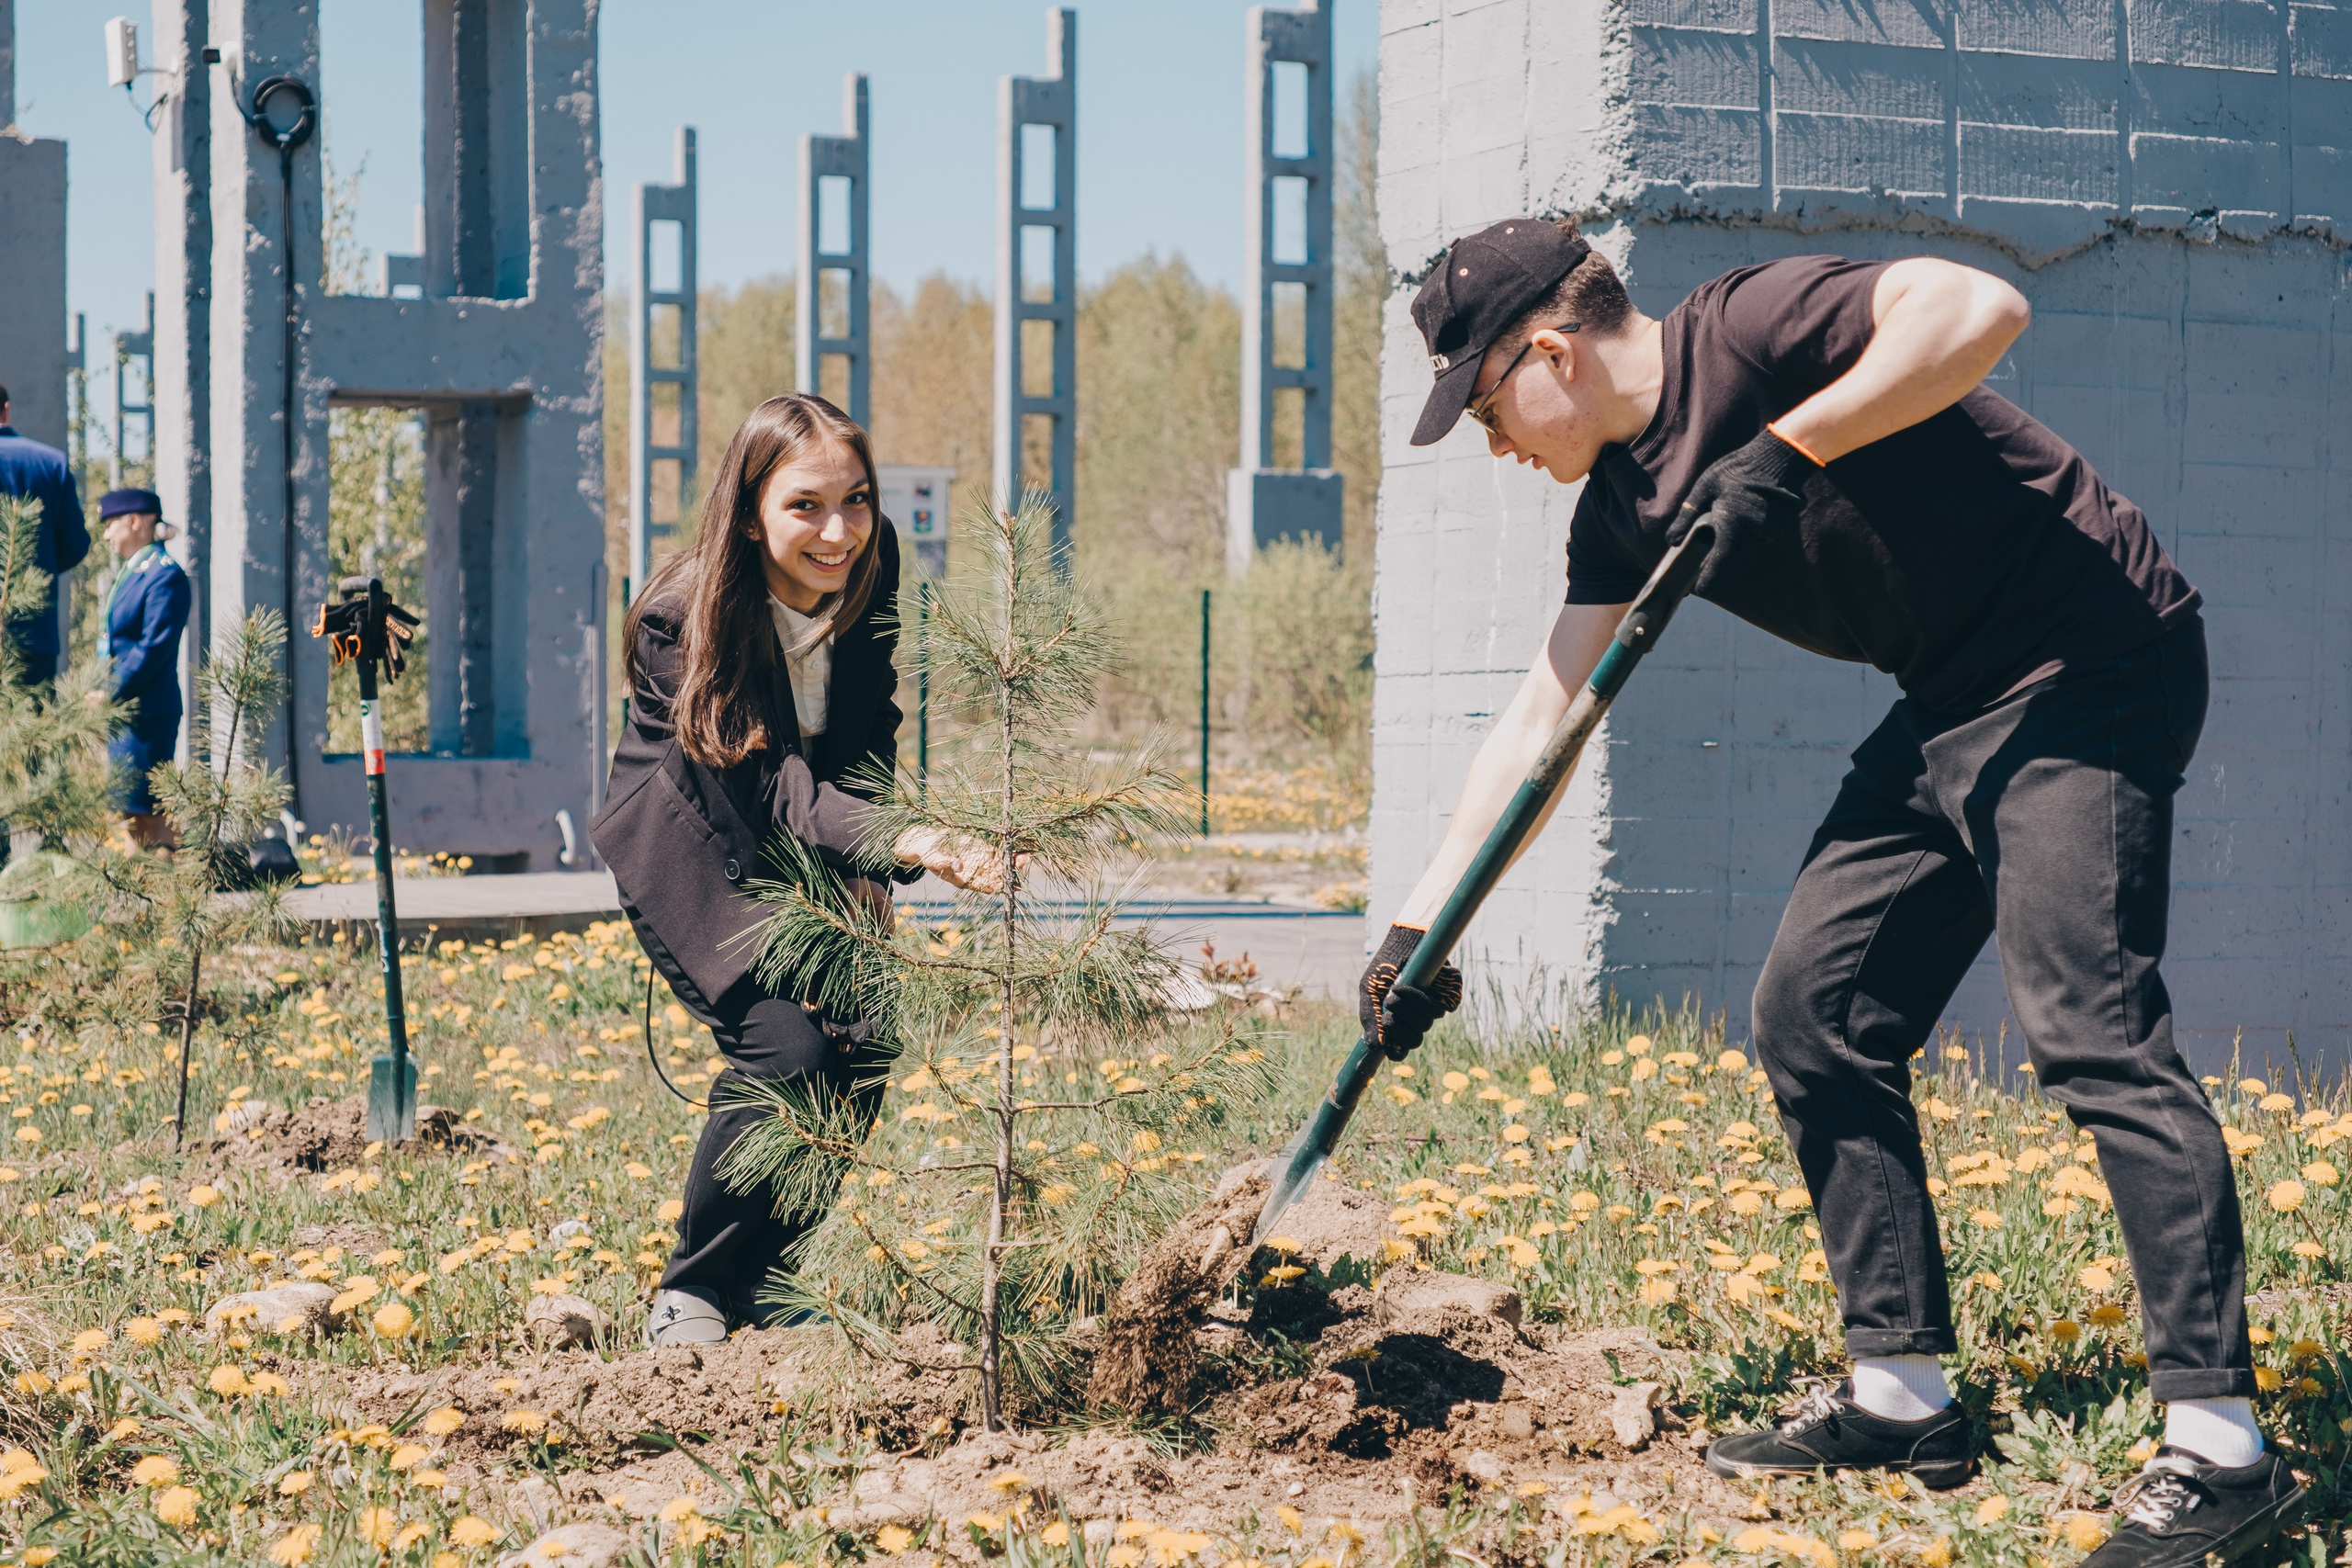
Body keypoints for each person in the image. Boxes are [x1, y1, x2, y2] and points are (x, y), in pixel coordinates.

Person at [1373, 218, 2297, 1568]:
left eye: (1485, 403)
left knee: (2086, 1020)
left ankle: (2226, 1452)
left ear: (1549, 353)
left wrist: (1793, 443)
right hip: (1955, 698)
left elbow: (1979, 308)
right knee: (1814, 1010)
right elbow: (1539, 721)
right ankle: (1904, 1398)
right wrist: (1422, 924)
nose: (1492, 441)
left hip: (2092, 655)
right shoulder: (1620, 510)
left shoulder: (1752, 324)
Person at [592, 393, 1003, 1347]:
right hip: (697, 846)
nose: (838, 531)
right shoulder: (679, 618)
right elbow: (764, 784)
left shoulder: (872, 562)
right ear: (748, 512)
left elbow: (869, 719)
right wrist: (908, 839)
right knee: (785, 1051)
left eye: (855, 499)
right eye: (806, 506)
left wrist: (872, 864)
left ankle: (768, 1279)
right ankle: (693, 1292)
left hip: (823, 831)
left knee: (861, 1054)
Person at [96, 489, 192, 850]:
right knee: (132, 812)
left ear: (135, 522)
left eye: (111, 525)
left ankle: (185, 886)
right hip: (128, 711)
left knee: (151, 814)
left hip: (147, 712)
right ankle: (146, 892)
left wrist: (110, 689)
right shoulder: (137, 571)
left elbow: (153, 647)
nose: (106, 535)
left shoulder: (164, 576)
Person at [0, 385, 90, 690]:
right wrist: (36, 575)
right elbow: (76, 544)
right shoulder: (52, 463)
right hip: (35, 632)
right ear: (7, 409)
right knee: (31, 734)